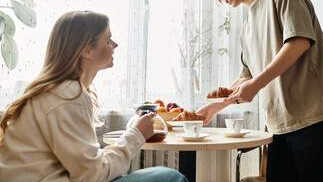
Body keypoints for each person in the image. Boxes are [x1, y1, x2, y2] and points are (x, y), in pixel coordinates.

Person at [196, 0, 323, 182]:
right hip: (278, 127)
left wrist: (255, 86)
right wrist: (213, 107)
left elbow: (299, 42)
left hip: (315, 117)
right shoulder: (246, 28)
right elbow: (246, 77)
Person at [0, 11, 188, 182]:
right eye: (108, 40)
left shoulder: (56, 91)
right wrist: (136, 135)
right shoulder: (68, 96)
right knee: (170, 177)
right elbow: (91, 175)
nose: (115, 45)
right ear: (86, 50)